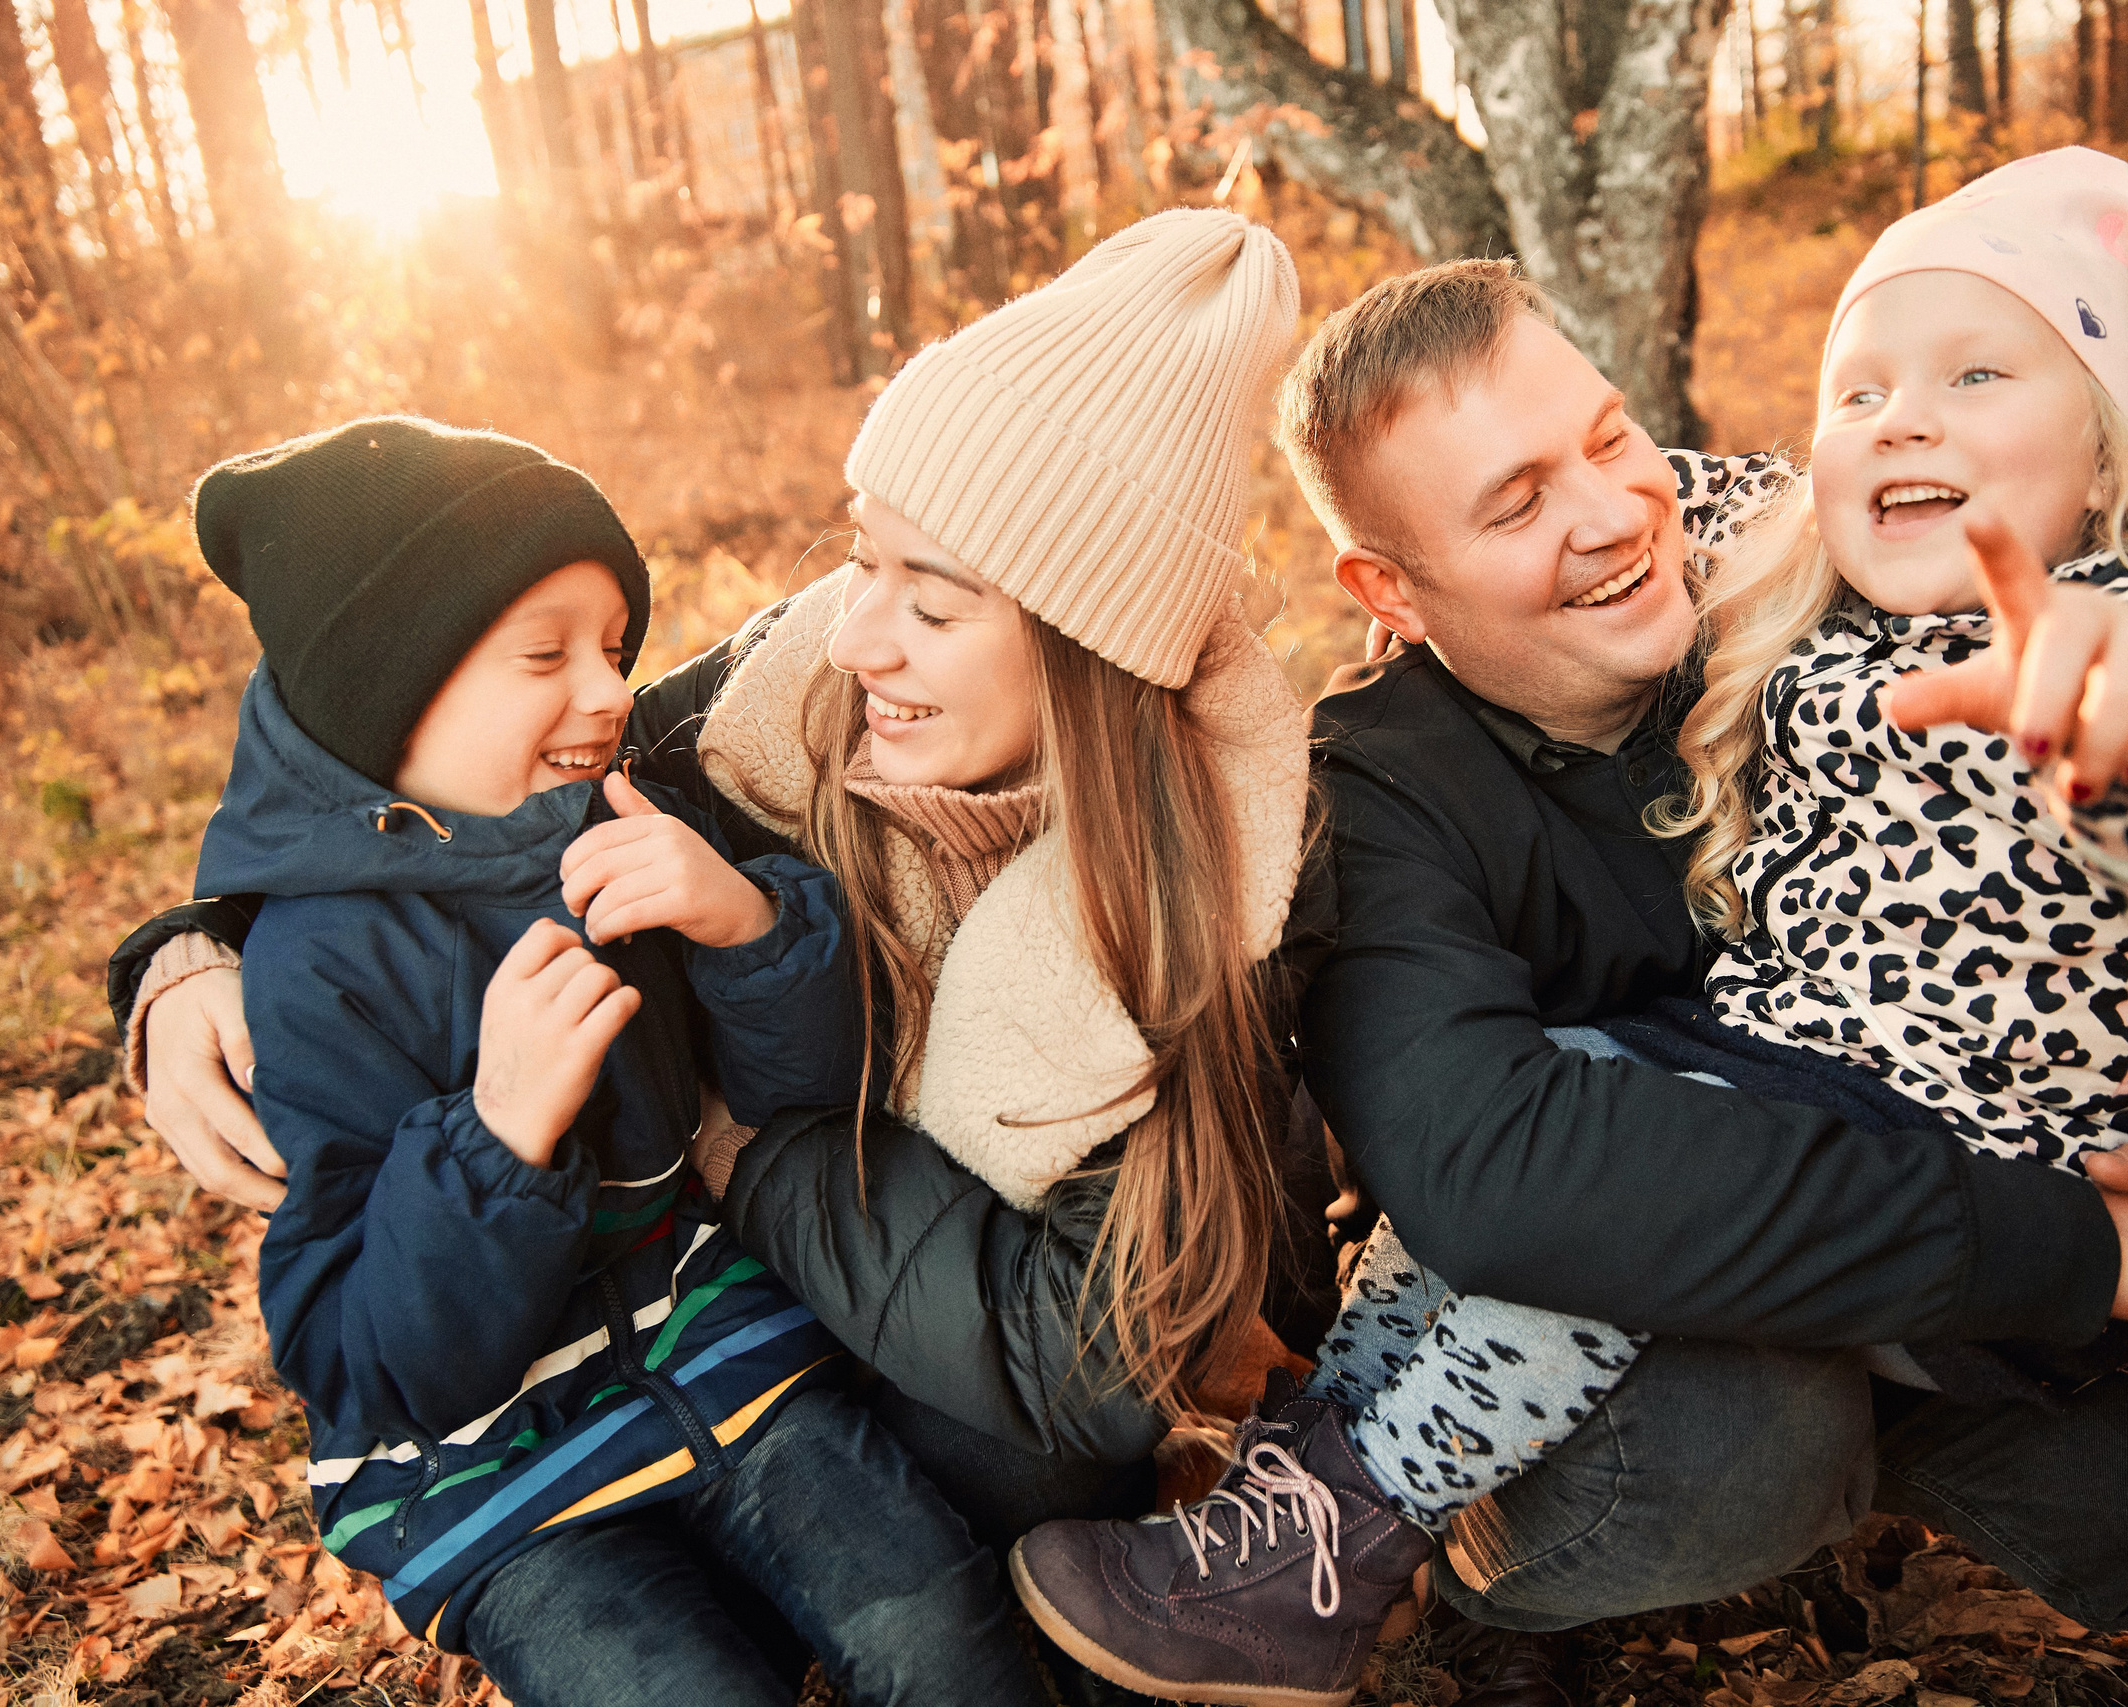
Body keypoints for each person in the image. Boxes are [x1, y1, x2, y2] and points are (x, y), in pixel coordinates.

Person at [1011, 149, 2128, 1706]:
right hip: (1641, 1269)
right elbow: (1489, 1171)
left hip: (1958, 1159)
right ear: (1395, 592)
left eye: (1611, 438)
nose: (1615, 515)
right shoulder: (1376, 787)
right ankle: (1382, 1528)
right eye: (1512, 505)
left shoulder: (1809, 576)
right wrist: (2107, 1252)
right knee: (1736, 1442)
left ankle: (1870, 1428)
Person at [110, 209, 1330, 1549]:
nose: (857, 633)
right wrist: (191, 947)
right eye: (862, 555)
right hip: (721, 1364)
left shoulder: (1219, 892)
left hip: (947, 1384)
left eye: (932, 601)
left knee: (1012, 1477)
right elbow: (452, 768)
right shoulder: (780, 695)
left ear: (1095, 652)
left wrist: (742, 1132)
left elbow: (1077, 1371)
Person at [183, 417, 1044, 1707]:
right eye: (547, 654)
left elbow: (803, 1099)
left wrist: (747, 929)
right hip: (500, 1490)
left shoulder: (622, 822)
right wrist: (498, 1136)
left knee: (939, 1632)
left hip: (725, 1363)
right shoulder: (317, 970)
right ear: (389, 686)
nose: (605, 692)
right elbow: (361, 1359)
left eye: (615, 650)